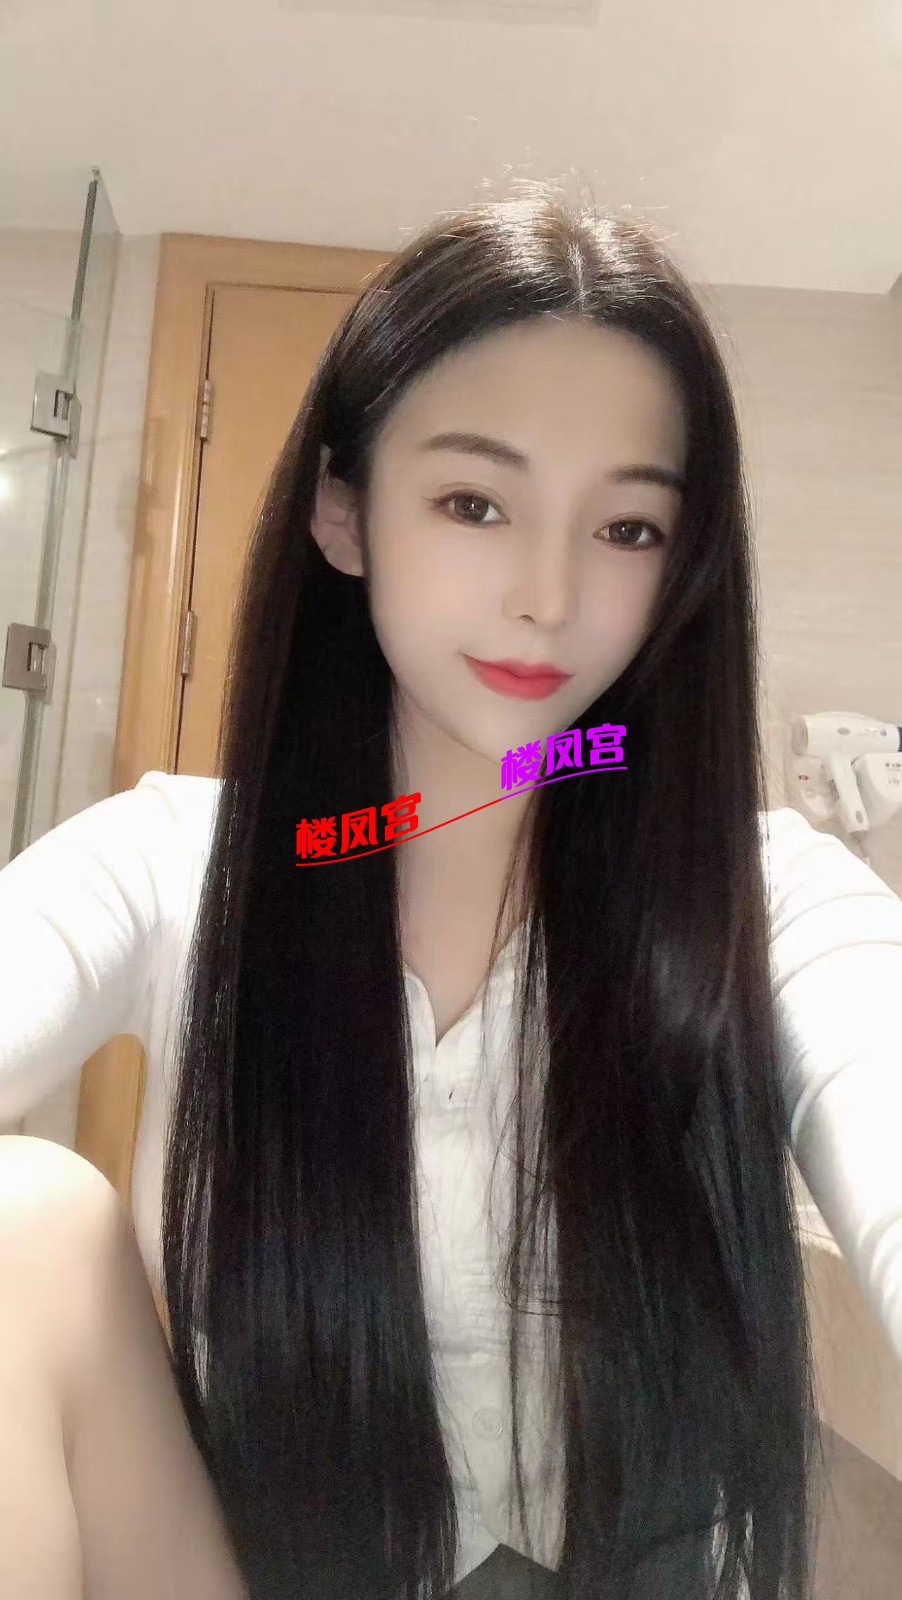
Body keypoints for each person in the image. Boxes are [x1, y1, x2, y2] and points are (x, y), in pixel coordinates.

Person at [1, 180, 901, 1600]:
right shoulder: (180, 861)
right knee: (21, 1218)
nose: (547, 594)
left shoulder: (759, 894)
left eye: (627, 529)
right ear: (344, 512)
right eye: (474, 503)